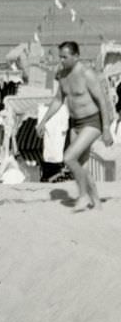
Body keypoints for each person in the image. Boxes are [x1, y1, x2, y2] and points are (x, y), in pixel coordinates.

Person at [36, 40, 113, 210]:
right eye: (60, 57)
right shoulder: (62, 75)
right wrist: (43, 121)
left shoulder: (87, 74)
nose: (61, 60)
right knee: (82, 165)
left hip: (93, 122)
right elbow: (58, 100)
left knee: (69, 157)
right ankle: (97, 204)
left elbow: (103, 101)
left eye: (65, 57)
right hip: (75, 123)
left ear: (76, 56)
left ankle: (83, 195)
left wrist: (106, 129)